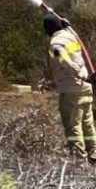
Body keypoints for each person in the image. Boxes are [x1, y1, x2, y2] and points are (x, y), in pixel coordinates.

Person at [45, 12, 96, 163]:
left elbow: (65, 61)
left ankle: (79, 161)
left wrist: (81, 74)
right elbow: (75, 50)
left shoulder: (55, 44)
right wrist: (68, 28)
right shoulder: (70, 38)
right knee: (87, 124)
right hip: (85, 89)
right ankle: (93, 153)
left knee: (73, 127)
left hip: (71, 89)